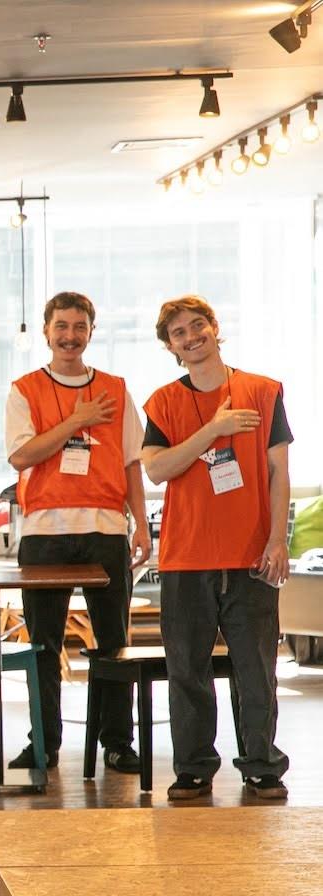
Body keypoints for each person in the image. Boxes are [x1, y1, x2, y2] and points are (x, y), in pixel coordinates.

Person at [141, 295, 292, 801]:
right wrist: (213, 429)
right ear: (170, 346)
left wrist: (278, 540)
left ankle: (262, 765)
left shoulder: (263, 391)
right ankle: (193, 768)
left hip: (250, 554)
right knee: (187, 670)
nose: (191, 336)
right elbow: (157, 469)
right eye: (179, 332)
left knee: (257, 669)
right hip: (186, 556)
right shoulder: (163, 402)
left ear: (214, 327)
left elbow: (277, 472)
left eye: (197, 325)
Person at [5, 293, 151, 772]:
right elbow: (22, 456)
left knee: (113, 642)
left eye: (79, 326)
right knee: (43, 643)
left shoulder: (115, 389)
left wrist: (141, 524)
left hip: (105, 527)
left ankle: (117, 742)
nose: (70, 336)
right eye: (62, 326)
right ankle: (44, 742)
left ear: (91, 331)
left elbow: (131, 462)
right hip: (45, 531)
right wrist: (76, 420)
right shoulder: (25, 390)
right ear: (47, 331)